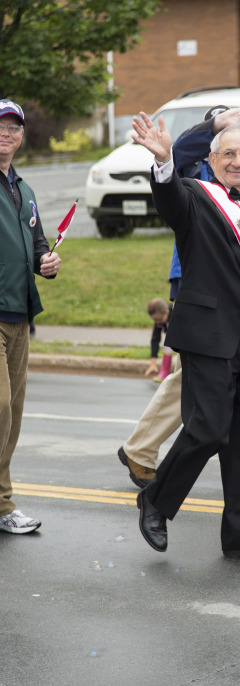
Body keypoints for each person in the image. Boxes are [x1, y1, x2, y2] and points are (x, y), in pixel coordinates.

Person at [130, 110, 240, 559]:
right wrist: (165, 161)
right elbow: (169, 199)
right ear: (213, 158)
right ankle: (156, 501)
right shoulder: (196, 195)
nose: (237, 161)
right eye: (229, 154)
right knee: (207, 430)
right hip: (207, 335)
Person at [0, 99, 61, 534]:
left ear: (22, 136)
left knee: (14, 413)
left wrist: (47, 261)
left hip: (20, 314)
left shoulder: (26, 189)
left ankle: (2, 504)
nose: (6, 135)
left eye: (13, 129)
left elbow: (38, 243)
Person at [144, 298, 174, 381]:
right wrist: (153, 362)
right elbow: (155, 339)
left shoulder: (175, 314)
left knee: (169, 342)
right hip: (172, 339)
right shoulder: (159, 318)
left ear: (167, 312)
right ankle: (164, 371)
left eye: (159, 320)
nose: (157, 323)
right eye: (155, 320)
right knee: (167, 343)